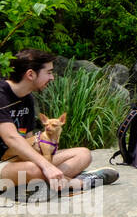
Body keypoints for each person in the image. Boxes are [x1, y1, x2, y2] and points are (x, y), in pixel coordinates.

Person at [0, 49, 115, 196]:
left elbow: (29, 140)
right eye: (48, 72)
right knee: (34, 169)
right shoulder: (1, 94)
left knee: (83, 154)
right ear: (30, 74)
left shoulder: (27, 98)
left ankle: (44, 185)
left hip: (17, 162)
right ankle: (79, 182)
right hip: (3, 165)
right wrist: (46, 166)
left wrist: (46, 153)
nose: (52, 77)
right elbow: (11, 138)